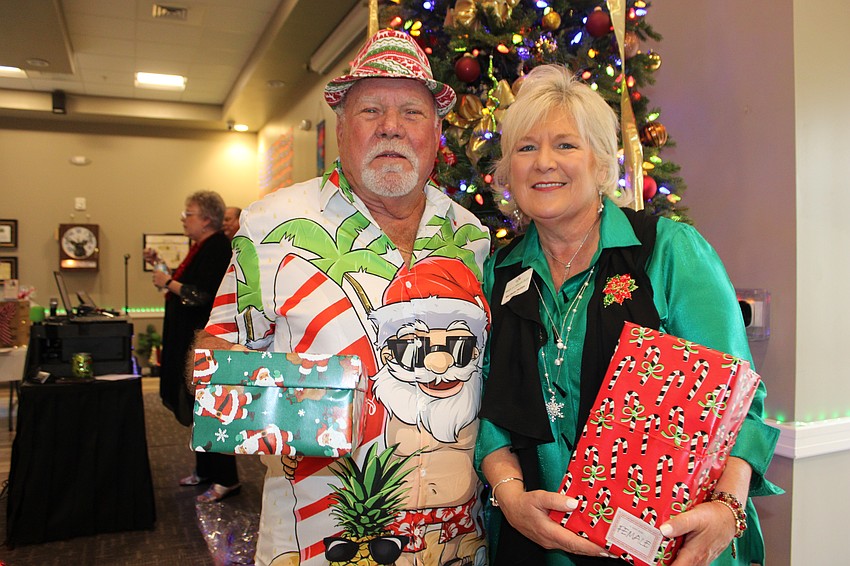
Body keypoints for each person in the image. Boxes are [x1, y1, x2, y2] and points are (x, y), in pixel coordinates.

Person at [194, 30, 491, 566]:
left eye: (412, 112)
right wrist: (313, 408)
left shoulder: (471, 236)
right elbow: (216, 375)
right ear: (340, 126)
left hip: (454, 543)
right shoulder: (271, 227)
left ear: (437, 132)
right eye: (371, 110)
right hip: (321, 542)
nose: (391, 126)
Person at [475, 65, 782, 566]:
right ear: (508, 170)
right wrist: (509, 497)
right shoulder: (500, 272)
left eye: (566, 145)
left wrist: (729, 505)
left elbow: (735, 394)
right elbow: (486, 400)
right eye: (526, 148)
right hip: (536, 542)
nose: (543, 162)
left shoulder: (668, 252)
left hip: (668, 540)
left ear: (601, 164)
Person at [143, 190, 241, 503]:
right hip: (190, 341)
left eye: (189, 214)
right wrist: (163, 270)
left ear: (207, 219)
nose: (184, 220)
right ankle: (205, 470)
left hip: (205, 343)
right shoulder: (201, 247)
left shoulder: (218, 247)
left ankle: (226, 478)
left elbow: (201, 295)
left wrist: (166, 282)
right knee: (198, 408)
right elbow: (188, 285)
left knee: (210, 408)